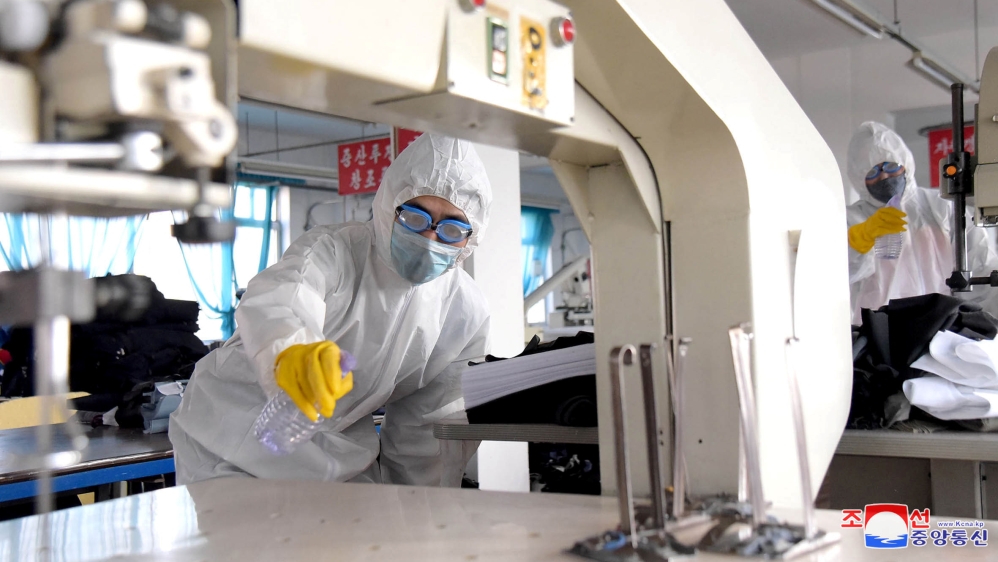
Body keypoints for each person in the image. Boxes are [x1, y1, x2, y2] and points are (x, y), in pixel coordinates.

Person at [169, 134, 493, 486]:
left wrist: (421, 510)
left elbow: (429, 427)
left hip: (339, 452)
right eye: (416, 218)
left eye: (450, 229)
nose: (429, 240)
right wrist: (290, 349)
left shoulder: (463, 311)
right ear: (389, 207)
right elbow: (282, 298)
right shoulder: (335, 251)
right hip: (233, 433)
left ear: (471, 237)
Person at [846, 121, 998, 322]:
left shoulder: (943, 208)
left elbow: (981, 270)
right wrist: (859, 243)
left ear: (905, 164)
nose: (884, 176)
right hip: (879, 336)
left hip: (944, 329)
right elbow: (836, 275)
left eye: (891, 167)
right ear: (858, 178)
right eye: (873, 172)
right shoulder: (852, 220)